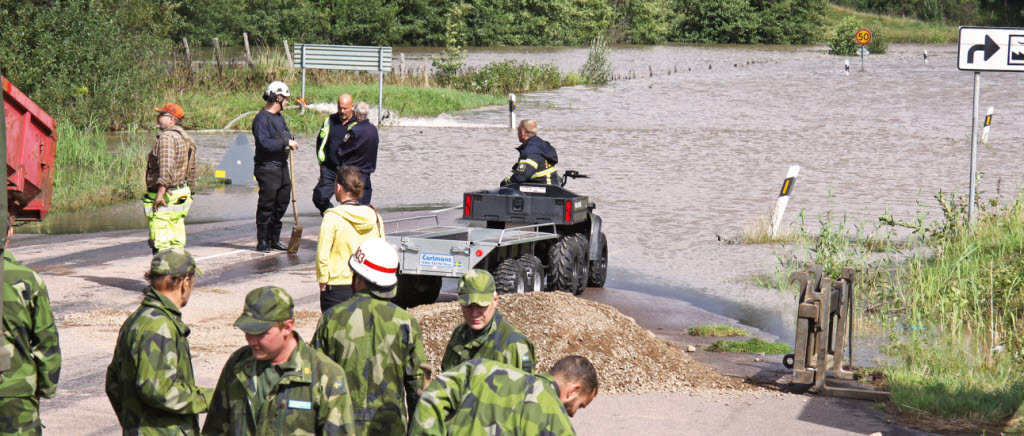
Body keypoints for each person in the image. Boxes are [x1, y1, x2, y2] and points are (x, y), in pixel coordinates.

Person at [312, 238, 427, 435]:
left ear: (358, 278)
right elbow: (418, 388)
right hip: (390, 428)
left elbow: (314, 381)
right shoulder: (406, 323)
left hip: (340, 427)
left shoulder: (331, 319)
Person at [202, 286, 354, 435]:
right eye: (248, 332)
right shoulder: (238, 365)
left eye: (261, 333)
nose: (252, 341)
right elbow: (215, 429)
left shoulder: (325, 375)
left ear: (287, 327)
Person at [105, 249, 211, 435]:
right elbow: (158, 390)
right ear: (185, 282)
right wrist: (211, 399)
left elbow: (113, 382)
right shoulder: (159, 325)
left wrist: (132, 423)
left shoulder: (138, 318)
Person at [408, 356, 598, 435]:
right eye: (580, 405)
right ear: (573, 390)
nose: (573, 414)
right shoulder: (557, 423)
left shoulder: (480, 369)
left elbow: (431, 397)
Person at [0, 216, 61, 435]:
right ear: (9, 234)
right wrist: (44, 387)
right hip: (16, 391)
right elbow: (46, 340)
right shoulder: (28, 280)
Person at [315, 166, 385, 312]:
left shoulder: (332, 216)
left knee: (335, 331)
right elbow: (382, 252)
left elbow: (323, 255)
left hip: (337, 285)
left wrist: (323, 282)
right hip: (367, 282)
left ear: (339, 187)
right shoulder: (375, 216)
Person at [440, 269, 536, 372]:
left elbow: (528, 386)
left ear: (495, 301)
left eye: (481, 306)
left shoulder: (516, 345)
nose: (474, 314)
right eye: (468, 306)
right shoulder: (459, 335)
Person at [144, 103, 198, 254]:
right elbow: (192, 169)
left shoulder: (167, 137)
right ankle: (178, 273)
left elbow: (166, 168)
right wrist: (190, 193)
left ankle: (163, 273)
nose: (158, 117)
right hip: (182, 193)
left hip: (166, 196)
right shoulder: (187, 138)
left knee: (161, 243)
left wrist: (160, 194)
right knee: (176, 240)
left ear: (171, 120)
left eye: (162, 115)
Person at [252, 81, 299, 252]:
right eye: (285, 98)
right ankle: (263, 240)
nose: (287, 102)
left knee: (282, 201)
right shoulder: (261, 120)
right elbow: (264, 144)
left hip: (281, 166)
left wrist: (288, 141)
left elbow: (282, 138)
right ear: (277, 98)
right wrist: (286, 142)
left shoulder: (279, 118)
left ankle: (274, 238)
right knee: (267, 204)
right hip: (267, 168)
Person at [312, 94, 356, 215]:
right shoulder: (330, 120)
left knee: (350, 203)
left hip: (349, 170)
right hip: (329, 169)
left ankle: (347, 224)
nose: (342, 111)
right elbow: (320, 141)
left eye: (345, 108)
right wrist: (321, 162)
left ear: (352, 107)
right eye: (339, 107)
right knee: (319, 197)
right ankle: (333, 217)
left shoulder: (358, 123)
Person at [338, 102, 379, 205]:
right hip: (367, 176)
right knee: (364, 210)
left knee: (352, 210)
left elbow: (341, 151)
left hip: (354, 178)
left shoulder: (354, 131)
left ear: (355, 113)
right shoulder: (374, 130)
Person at [500, 119, 559, 186]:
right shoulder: (544, 145)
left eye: (518, 131)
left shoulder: (529, 152)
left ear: (522, 133)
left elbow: (520, 177)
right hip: (553, 187)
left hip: (541, 191)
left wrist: (506, 181)